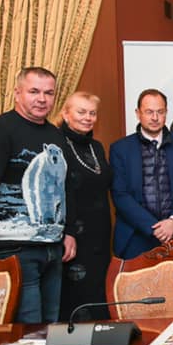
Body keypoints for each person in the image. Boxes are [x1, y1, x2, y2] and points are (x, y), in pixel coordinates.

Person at [0, 67, 75, 324]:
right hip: (14, 251)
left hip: (52, 250)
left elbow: (64, 188)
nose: (42, 99)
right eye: (34, 91)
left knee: (50, 329)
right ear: (17, 93)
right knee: (27, 333)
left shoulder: (56, 136)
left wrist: (68, 232)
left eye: (48, 93)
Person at [109, 89, 173, 259]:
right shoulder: (120, 149)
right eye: (149, 112)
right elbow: (120, 194)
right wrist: (153, 227)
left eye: (160, 112)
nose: (155, 118)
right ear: (138, 113)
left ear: (166, 113)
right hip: (135, 236)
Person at [58, 91, 112, 322]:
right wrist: (67, 231)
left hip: (98, 235)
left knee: (97, 292)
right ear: (65, 114)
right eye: (81, 112)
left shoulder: (96, 147)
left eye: (92, 113)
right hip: (71, 235)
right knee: (74, 296)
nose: (88, 118)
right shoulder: (56, 144)